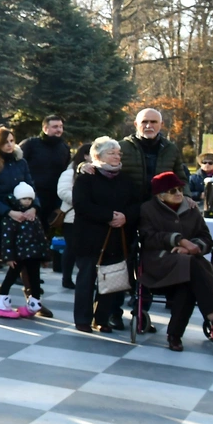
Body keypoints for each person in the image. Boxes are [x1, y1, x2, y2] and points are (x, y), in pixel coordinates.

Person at [139, 171, 213, 351]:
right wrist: (179, 240)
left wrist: (193, 247)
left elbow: (205, 237)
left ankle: (175, 336)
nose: (179, 193)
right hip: (160, 266)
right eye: (173, 190)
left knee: (187, 283)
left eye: (180, 189)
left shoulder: (191, 208)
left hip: (187, 268)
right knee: (192, 265)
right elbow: (148, 238)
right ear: (160, 195)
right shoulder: (148, 209)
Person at [118, 108, 186, 332]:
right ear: (136, 124)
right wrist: (84, 166)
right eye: (144, 122)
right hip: (128, 212)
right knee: (124, 260)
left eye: (153, 122)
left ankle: (143, 305)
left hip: (158, 213)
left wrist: (186, 199)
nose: (149, 126)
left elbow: (181, 179)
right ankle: (118, 307)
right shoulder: (123, 147)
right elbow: (101, 164)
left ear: (161, 124)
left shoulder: (170, 149)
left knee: (152, 259)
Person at [0, 126, 51, 317]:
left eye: (11, 141)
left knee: (26, 257)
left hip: (23, 218)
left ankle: (32, 299)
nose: (9, 145)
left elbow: (30, 187)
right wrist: (8, 211)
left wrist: (34, 207)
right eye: (4, 142)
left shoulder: (20, 162)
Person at [71, 138, 141, 333]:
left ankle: (101, 318)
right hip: (90, 237)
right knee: (86, 279)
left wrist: (125, 217)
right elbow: (81, 204)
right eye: (112, 153)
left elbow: (137, 204)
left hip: (117, 238)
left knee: (112, 279)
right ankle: (83, 319)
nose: (117, 156)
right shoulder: (87, 177)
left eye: (118, 153)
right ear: (97, 155)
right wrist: (109, 216)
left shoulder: (125, 179)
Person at [0, 182, 50, 318]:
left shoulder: (33, 216)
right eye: (24, 198)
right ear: (17, 199)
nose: (27, 201)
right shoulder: (12, 217)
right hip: (18, 256)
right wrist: (9, 257)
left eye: (30, 199)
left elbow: (41, 237)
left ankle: (34, 305)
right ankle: (2, 303)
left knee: (35, 280)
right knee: (10, 278)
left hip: (34, 255)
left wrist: (45, 256)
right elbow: (7, 239)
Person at [19, 115, 70, 226]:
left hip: (54, 197)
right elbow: (17, 165)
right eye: (55, 127)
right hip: (32, 196)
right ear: (45, 128)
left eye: (61, 127)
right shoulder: (30, 144)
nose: (59, 130)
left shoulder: (64, 148)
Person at [56, 141, 92, 290]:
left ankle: (83, 279)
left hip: (87, 217)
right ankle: (67, 278)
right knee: (71, 248)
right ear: (85, 155)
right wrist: (81, 201)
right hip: (72, 217)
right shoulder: (70, 172)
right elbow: (62, 192)